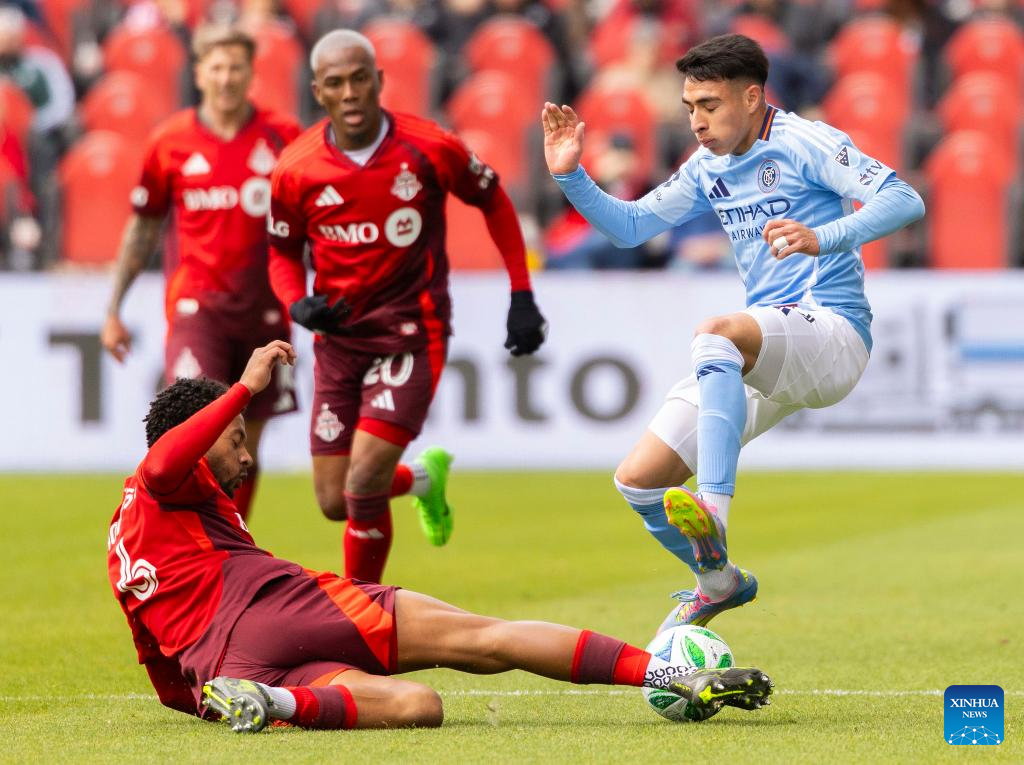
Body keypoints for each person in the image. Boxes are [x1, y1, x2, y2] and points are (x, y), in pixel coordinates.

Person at [106, 340, 773, 733]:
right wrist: (245, 389)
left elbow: (159, 667)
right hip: (280, 608)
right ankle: (670, 672)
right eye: (234, 439)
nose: (246, 454)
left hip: (232, 672)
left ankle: (274, 703)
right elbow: (164, 461)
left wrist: (208, 698)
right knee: (486, 638)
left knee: (418, 707)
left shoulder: (124, 539)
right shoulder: (169, 479)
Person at [542, 34, 925, 631]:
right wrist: (571, 176)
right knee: (638, 480)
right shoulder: (707, 166)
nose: (696, 121)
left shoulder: (804, 141)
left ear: (751, 97)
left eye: (710, 105)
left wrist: (825, 237)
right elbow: (631, 227)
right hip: (767, 350)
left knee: (717, 333)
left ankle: (714, 516)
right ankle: (719, 581)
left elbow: (904, 199)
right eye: (689, 107)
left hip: (832, 330)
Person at [267, 29, 547, 583]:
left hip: (411, 337)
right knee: (334, 500)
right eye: (335, 83)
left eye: (359, 79)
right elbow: (280, 251)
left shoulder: (429, 147)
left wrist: (521, 293)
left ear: (379, 81)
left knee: (363, 480)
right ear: (317, 92)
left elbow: (493, 200)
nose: (350, 93)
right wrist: (297, 304)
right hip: (339, 344)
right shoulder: (296, 169)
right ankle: (422, 480)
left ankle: (363, 612)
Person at [100, 26, 301, 522]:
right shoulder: (170, 141)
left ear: (250, 73)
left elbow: (313, 216)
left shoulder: (284, 137)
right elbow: (143, 228)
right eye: (217, 67)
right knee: (194, 424)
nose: (226, 78)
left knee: (247, 443)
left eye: (236, 67)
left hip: (266, 309)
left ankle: (232, 541)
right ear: (199, 74)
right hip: (197, 309)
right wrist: (113, 309)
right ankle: (183, 539)